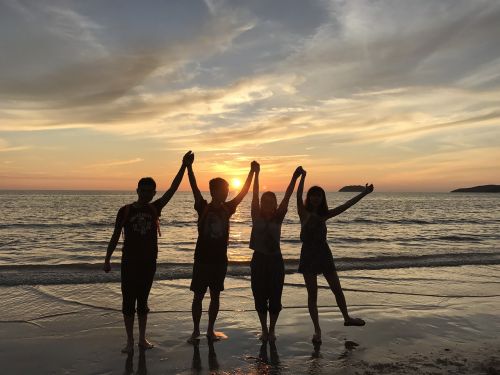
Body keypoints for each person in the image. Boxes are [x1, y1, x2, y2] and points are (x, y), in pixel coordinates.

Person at [103, 151, 192, 353]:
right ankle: (129, 341)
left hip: (148, 263)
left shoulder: (155, 208)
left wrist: (184, 167)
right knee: (128, 301)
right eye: (142, 190)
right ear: (137, 190)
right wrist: (107, 258)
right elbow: (116, 235)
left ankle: (142, 339)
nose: (145, 194)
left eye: (149, 191)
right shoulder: (125, 210)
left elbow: (173, 189)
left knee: (143, 301)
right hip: (129, 263)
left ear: (153, 193)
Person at [185, 152, 257, 342]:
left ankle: (210, 330)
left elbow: (243, 192)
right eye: (223, 190)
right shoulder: (202, 206)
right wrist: (188, 167)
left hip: (219, 261)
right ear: (213, 191)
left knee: (215, 296)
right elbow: (193, 187)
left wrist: (251, 172)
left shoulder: (228, 208)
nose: (226, 192)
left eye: (226, 190)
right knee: (198, 296)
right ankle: (195, 331)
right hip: (201, 259)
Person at [296, 169, 374, 344]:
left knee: (336, 289)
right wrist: (302, 177)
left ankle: (347, 317)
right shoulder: (304, 213)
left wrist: (363, 193)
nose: (316, 198)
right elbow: (298, 194)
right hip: (308, 255)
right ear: (309, 198)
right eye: (313, 195)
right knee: (312, 295)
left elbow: (346, 205)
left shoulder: (325, 215)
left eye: (319, 195)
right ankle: (317, 330)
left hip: (324, 254)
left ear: (323, 199)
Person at [250, 163, 302, 342]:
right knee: (259, 296)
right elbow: (255, 194)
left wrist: (294, 178)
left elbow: (287, 195)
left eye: (271, 202)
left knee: (275, 297)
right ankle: (264, 329)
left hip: (275, 261)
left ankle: (272, 330)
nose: (267, 204)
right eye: (265, 201)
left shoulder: (278, 217)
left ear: (275, 205)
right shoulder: (256, 214)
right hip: (258, 260)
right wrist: (256, 174)